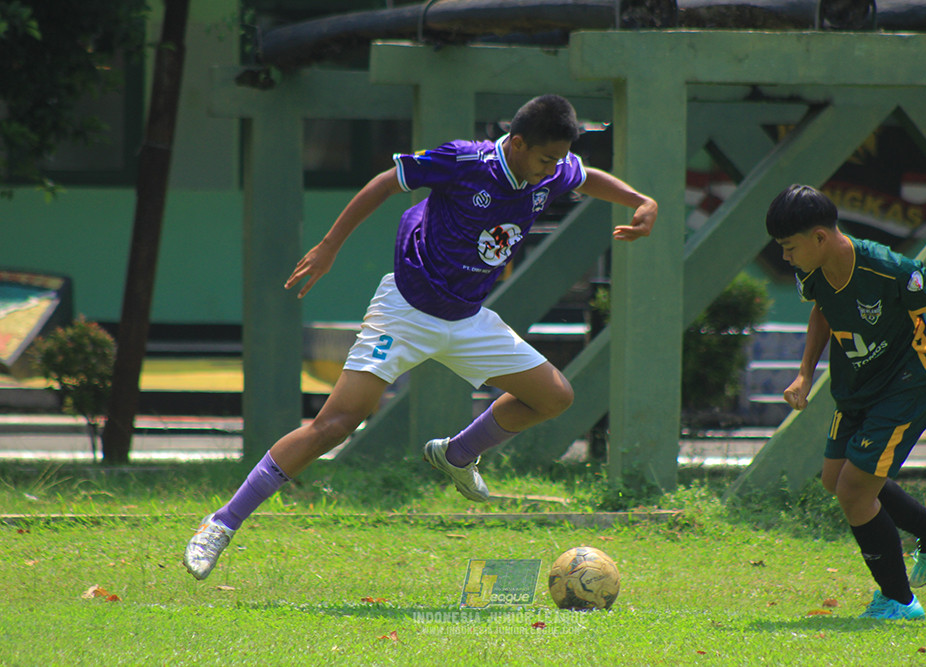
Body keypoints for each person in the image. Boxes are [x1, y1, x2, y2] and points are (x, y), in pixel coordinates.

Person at [184, 94, 657, 580]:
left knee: (555, 396)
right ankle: (220, 523)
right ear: (516, 144)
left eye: (558, 160)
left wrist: (641, 200)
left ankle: (457, 454)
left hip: (468, 318)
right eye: (544, 159)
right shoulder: (464, 160)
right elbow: (386, 183)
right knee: (336, 425)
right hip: (406, 311)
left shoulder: (553, 170)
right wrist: (329, 246)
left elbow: (585, 176)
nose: (552, 171)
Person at [766, 184, 926, 620]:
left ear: (820, 238)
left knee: (854, 490)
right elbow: (822, 309)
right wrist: (805, 372)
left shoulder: (886, 268)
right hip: (858, 384)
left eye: (789, 247)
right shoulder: (812, 270)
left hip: (908, 382)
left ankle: (899, 601)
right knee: (835, 479)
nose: (785, 256)